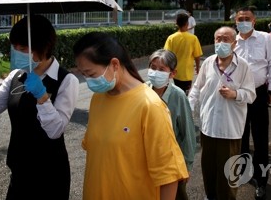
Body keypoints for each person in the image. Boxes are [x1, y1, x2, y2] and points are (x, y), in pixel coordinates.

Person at [0, 15, 79, 200]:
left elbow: (55, 130)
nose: (17, 53)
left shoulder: (66, 80)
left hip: (50, 175)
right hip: (19, 171)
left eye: (23, 48)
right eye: (15, 48)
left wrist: (42, 97)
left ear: (43, 46)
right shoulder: (15, 76)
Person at [72, 32, 188, 200]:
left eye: (90, 74)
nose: (88, 81)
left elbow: (168, 176)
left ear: (114, 64)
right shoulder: (98, 98)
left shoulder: (150, 105)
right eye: (83, 75)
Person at [188, 26, 256, 200]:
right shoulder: (208, 62)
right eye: (218, 39)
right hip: (208, 126)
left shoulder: (243, 66)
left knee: (227, 172)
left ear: (234, 43)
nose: (221, 42)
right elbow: (196, 88)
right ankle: (210, 196)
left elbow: (251, 95)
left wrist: (235, 94)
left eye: (225, 39)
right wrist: (188, 107)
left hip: (230, 128)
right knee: (208, 168)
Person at [234, 6, 271, 200]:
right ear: (235, 21)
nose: (243, 21)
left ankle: (261, 181)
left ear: (254, 21)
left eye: (247, 18)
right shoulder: (231, 40)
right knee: (240, 137)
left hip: (259, 93)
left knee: (260, 139)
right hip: (237, 95)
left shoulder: (264, 38)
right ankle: (243, 172)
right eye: (240, 18)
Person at [146, 49, 197, 200]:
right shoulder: (143, 91)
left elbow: (187, 133)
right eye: (153, 67)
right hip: (148, 159)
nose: (156, 72)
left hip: (171, 162)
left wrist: (186, 166)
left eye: (162, 69)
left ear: (172, 74)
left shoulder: (178, 96)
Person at [164, 12, 203, 93]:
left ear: (176, 23)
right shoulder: (193, 38)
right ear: (187, 23)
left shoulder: (171, 38)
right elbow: (197, 55)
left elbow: (166, 55)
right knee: (185, 94)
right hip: (187, 73)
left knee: (177, 91)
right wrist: (198, 68)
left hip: (175, 72)